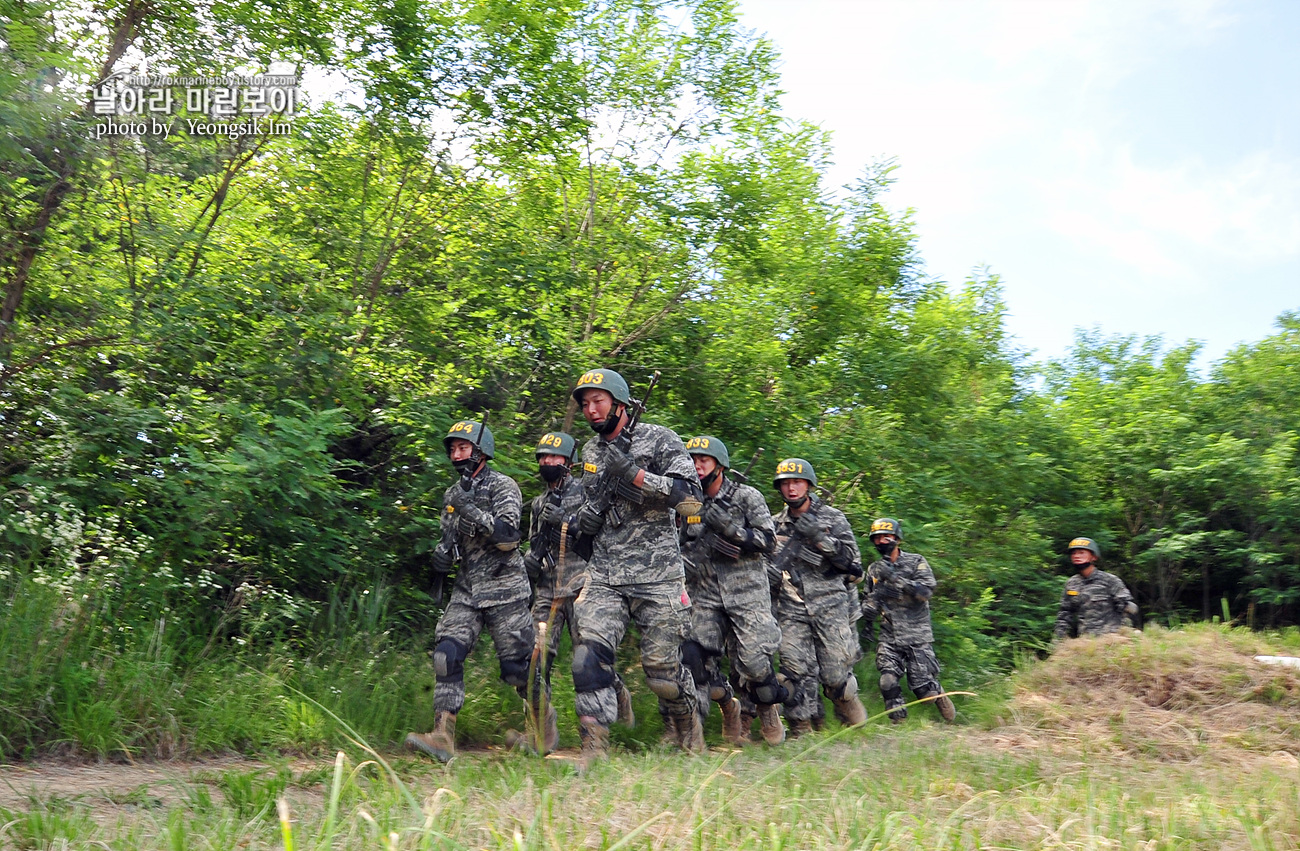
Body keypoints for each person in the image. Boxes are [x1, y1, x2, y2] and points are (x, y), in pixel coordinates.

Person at [568, 368, 706, 764]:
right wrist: (586, 519)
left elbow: (692, 503)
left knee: (661, 671)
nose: (591, 410)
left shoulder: (661, 439)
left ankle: (687, 727)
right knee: (587, 658)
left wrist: (637, 475)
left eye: (599, 401)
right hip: (605, 575)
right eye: (585, 403)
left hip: (659, 575)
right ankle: (593, 748)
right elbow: (585, 500)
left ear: (621, 404)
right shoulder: (591, 452)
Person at [406, 420, 536, 762]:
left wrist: (472, 511)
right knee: (446, 655)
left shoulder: (503, 486)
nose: (456, 454)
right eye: (453, 449)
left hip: (505, 589)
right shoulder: (452, 493)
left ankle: (539, 729)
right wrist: (441, 557)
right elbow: (450, 539)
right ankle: (442, 736)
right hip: (467, 590)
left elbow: (509, 538)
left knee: (517, 670)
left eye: (463, 448)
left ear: (480, 452)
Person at [510, 431, 634, 753]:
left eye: (555, 457)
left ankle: (616, 695)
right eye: (543, 457)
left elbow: (600, 534)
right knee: (531, 661)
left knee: (588, 659)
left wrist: (566, 520)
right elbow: (534, 541)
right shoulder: (538, 503)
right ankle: (540, 731)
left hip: (583, 585)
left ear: (568, 460)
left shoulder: (586, 490)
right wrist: (531, 560)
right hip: (547, 591)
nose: (548, 463)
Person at [678, 435, 787, 746]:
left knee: (754, 663)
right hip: (705, 593)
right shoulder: (688, 502)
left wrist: (731, 529)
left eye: (704, 460)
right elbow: (677, 542)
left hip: (747, 593)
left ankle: (767, 706)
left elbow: (768, 541)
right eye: (692, 460)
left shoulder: (746, 496)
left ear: (720, 465)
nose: (697, 465)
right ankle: (726, 707)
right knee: (693, 656)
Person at [770, 458, 867, 735]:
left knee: (836, 676)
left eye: (797, 482)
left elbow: (854, 567)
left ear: (809, 485)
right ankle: (800, 729)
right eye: (786, 483)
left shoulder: (833, 518)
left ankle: (851, 717)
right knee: (792, 670)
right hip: (791, 607)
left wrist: (820, 539)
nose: (791, 488)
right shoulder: (775, 523)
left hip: (830, 605)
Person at [862, 518, 956, 723]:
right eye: (877, 539)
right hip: (889, 635)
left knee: (924, 692)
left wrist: (897, 579)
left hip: (917, 634)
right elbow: (868, 599)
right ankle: (899, 725)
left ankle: (937, 692)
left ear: (896, 539)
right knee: (887, 681)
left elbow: (925, 592)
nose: (882, 542)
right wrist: (870, 608)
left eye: (886, 538)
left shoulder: (916, 562)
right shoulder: (874, 570)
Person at [1054, 536, 1139, 639]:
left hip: (1113, 641)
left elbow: (1129, 608)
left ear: (1094, 557)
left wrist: (1126, 633)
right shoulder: (1071, 584)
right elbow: (1064, 614)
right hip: (1087, 643)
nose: (1076, 556)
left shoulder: (1110, 580)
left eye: (1081, 552)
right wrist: (1059, 640)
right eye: (1073, 553)